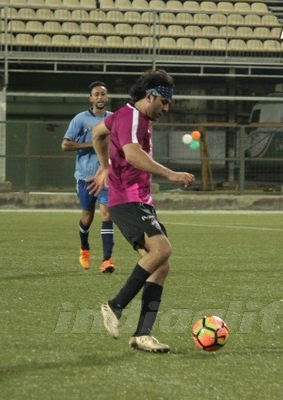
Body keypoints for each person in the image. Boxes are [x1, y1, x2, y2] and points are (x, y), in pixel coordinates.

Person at [89, 69, 195, 352]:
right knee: (162, 250)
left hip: (137, 200)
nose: (167, 108)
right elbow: (133, 155)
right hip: (128, 199)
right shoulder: (133, 117)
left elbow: (98, 132)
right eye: (164, 102)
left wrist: (104, 166)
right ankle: (114, 305)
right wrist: (170, 174)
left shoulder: (124, 116)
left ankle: (142, 335)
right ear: (150, 96)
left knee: (161, 265)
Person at [62, 81, 116, 273]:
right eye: (97, 94)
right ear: (91, 98)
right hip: (85, 177)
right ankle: (84, 247)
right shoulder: (80, 119)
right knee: (87, 216)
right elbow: (65, 145)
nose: (100, 97)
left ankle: (107, 260)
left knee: (107, 214)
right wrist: (92, 145)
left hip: (106, 176)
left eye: (103, 94)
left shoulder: (113, 119)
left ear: (107, 97)